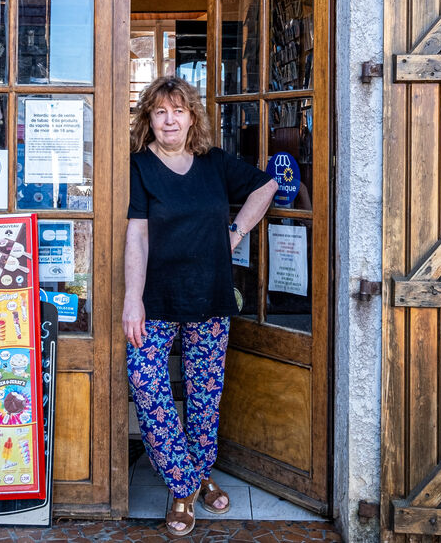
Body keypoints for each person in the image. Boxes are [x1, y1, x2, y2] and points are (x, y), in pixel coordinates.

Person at [123, 76, 277, 536]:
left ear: (192, 117)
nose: (170, 120)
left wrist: (235, 233)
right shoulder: (138, 166)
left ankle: (197, 474)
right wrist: (132, 300)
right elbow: (137, 235)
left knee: (204, 394)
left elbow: (266, 186)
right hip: (156, 298)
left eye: (178, 110)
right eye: (160, 112)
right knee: (146, 382)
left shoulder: (214, 162)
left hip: (209, 293)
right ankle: (185, 481)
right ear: (149, 119)